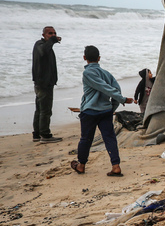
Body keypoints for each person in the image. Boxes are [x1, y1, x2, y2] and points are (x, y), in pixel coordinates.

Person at [70, 46, 133, 176]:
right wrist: (112, 107)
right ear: (99, 58)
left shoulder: (87, 73)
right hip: (105, 111)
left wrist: (121, 99)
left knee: (86, 139)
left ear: (84, 58)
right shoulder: (106, 74)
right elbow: (115, 89)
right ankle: (116, 166)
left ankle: (81, 165)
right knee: (110, 138)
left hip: (89, 112)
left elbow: (104, 87)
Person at [32, 26, 62, 143]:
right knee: (45, 110)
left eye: (54, 33)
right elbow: (43, 51)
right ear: (44, 35)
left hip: (45, 82)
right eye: (50, 33)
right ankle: (45, 135)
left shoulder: (46, 46)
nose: (53, 35)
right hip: (43, 83)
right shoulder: (40, 45)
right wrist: (52, 41)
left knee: (40, 109)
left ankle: (37, 134)